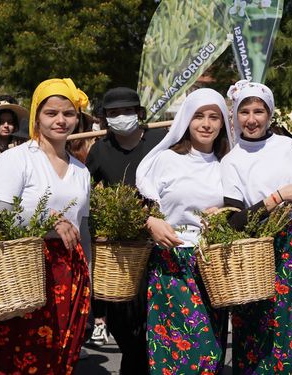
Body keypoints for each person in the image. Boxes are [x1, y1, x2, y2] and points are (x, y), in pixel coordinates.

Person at [221, 80, 292, 374]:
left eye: (259, 110)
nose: (252, 119)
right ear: (235, 116)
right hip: (261, 253)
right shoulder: (232, 161)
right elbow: (234, 220)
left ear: (269, 114)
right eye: (244, 111)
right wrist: (277, 197)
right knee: (262, 336)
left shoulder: (286, 146)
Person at [0, 78, 92, 374]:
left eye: (69, 114)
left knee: (62, 353)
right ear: (36, 116)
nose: (61, 120)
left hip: (70, 272)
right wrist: (46, 220)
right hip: (25, 271)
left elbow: (82, 230)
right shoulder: (16, 159)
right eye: (52, 113)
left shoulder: (81, 170)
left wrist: (89, 281)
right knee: (21, 354)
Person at [136, 88, 232, 374]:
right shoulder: (166, 159)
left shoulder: (228, 164)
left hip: (213, 264)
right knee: (182, 350)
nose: (206, 123)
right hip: (172, 262)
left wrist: (226, 215)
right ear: (186, 121)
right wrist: (151, 222)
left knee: (211, 350)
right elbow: (139, 204)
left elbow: (241, 210)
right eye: (198, 116)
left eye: (214, 117)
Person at [84, 87, 165, 373]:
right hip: (120, 254)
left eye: (127, 111)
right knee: (125, 328)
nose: (121, 117)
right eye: (114, 113)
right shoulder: (99, 150)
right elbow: (86, 195)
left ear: (139, 113)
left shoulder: (160, 142)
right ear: (105, 118)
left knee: (153, 325)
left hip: (159, 245)